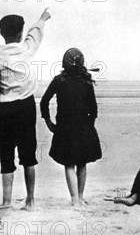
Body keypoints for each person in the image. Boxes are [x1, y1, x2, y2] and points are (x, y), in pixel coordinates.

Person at [0, 8, 51, 211]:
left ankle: (6, 202)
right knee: (28, 154)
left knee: (6, 154)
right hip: (26, 107)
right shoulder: (26, 49)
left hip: (5, 110)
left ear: (1, 33)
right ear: (20, 33)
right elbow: (35, 35)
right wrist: (41, 19)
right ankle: (30, 200)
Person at [40, 48, 102, 207]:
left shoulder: (59, 80)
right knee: (82, 163)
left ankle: (74, 199)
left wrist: (48, 122)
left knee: (69, 163)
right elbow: (93, 108)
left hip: (64, 127)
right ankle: (80, 198)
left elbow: (44, 101)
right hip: (84, 126)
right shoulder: (86, 81)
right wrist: (90, 126)